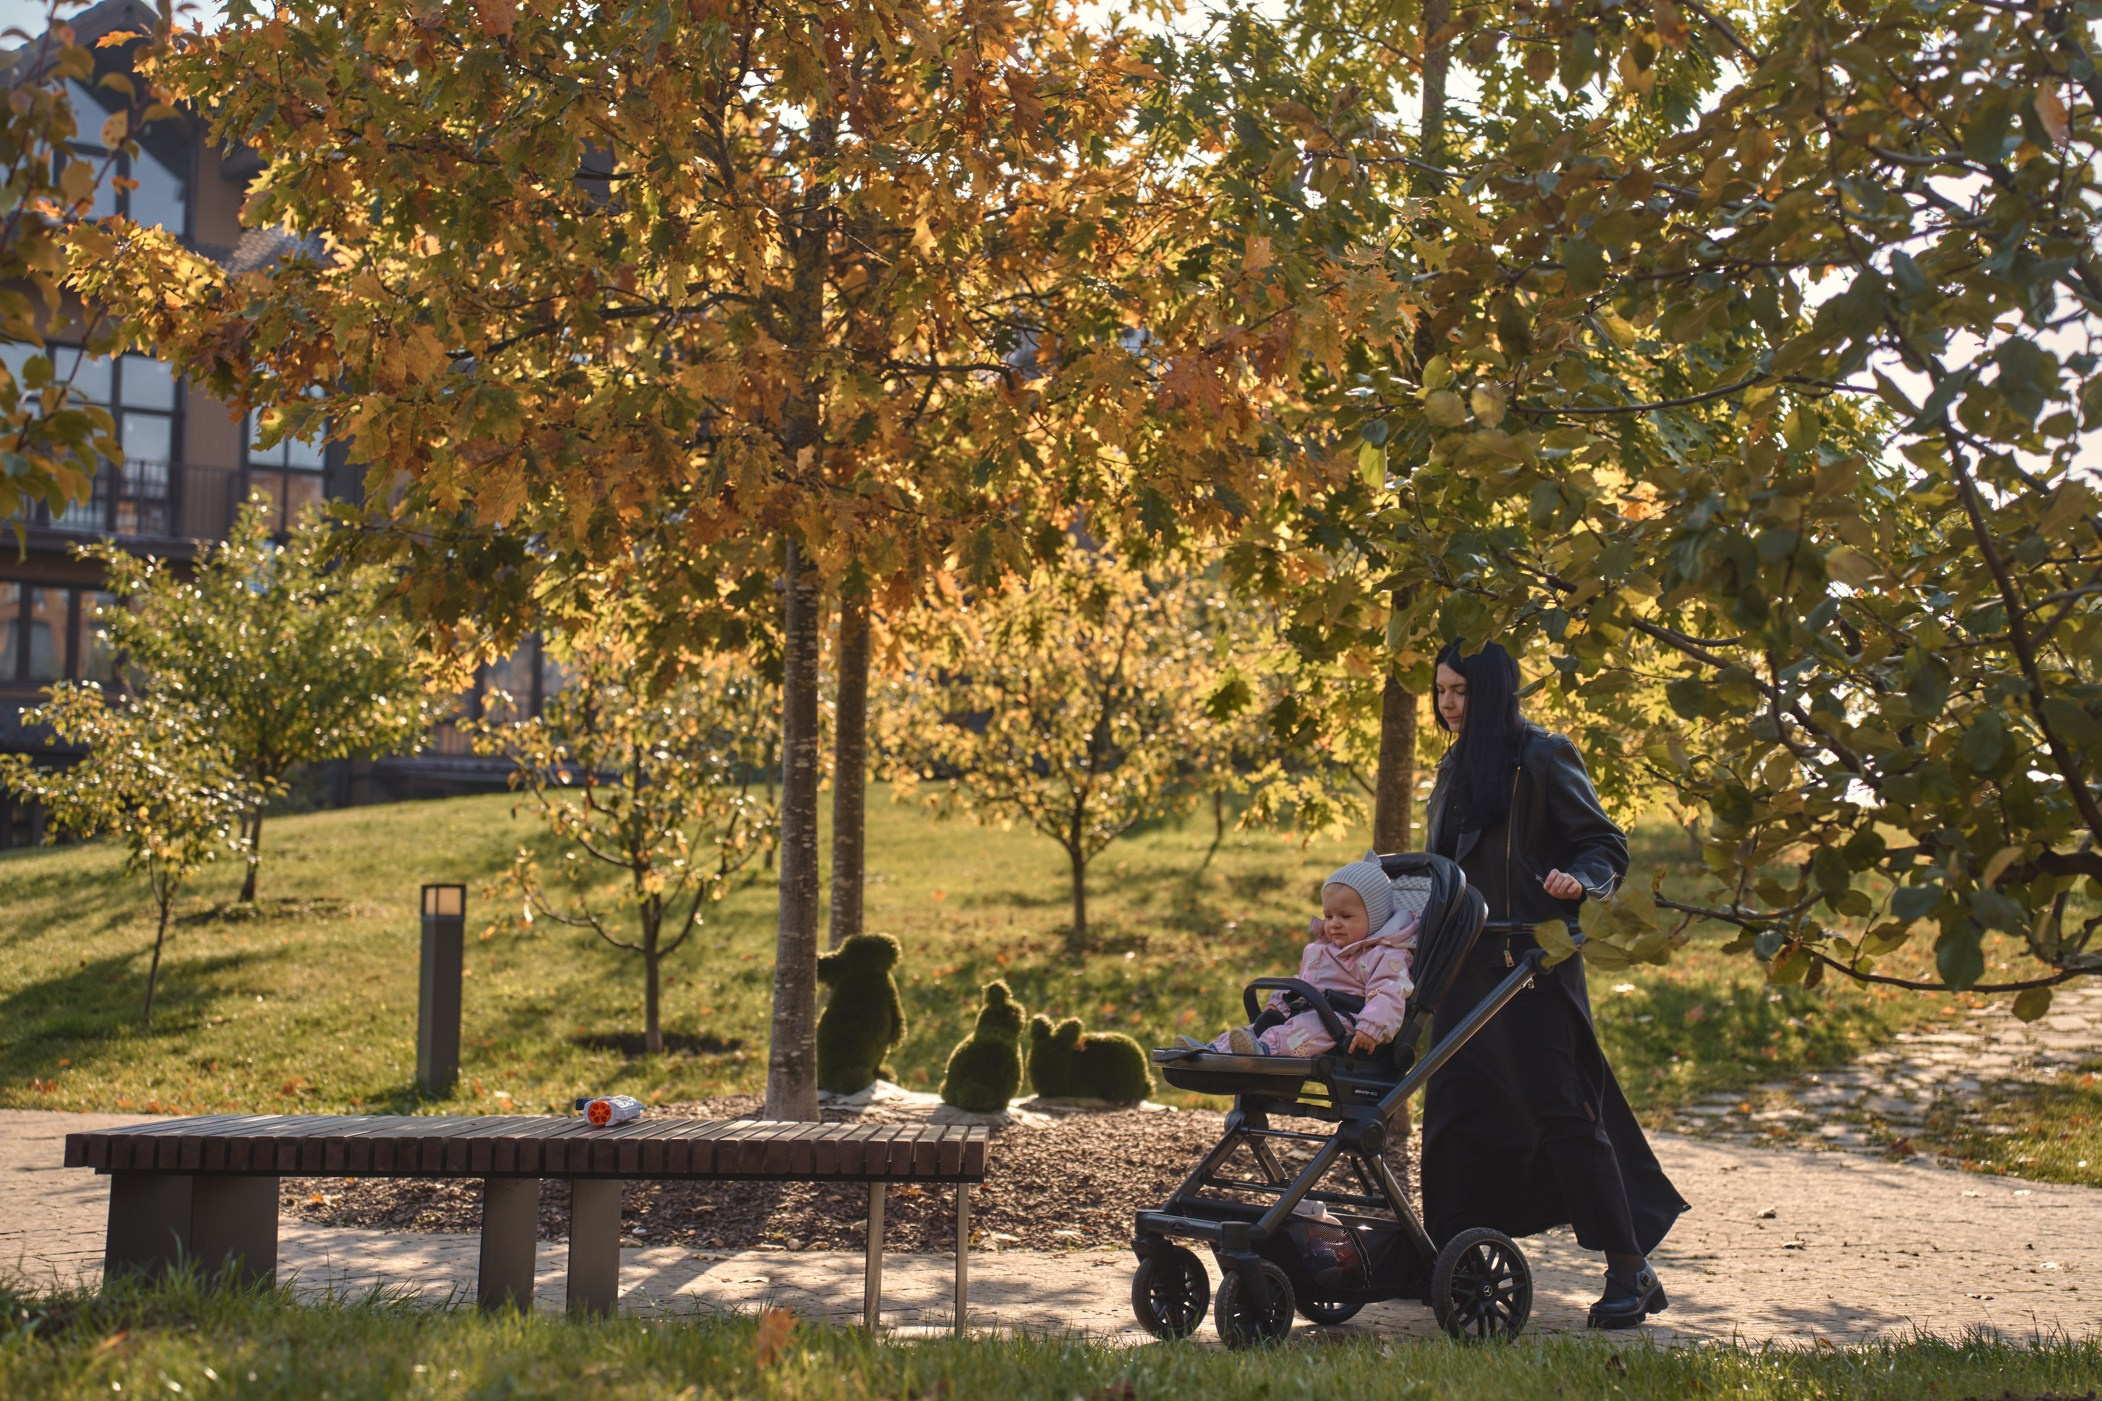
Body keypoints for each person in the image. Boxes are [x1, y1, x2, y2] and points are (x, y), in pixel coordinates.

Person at [1420, 639, 1688, 1329]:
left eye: (1462, 692)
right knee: (1454, 1112)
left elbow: (1604, 843)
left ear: (1495, 692)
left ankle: (1630, 1267)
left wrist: (1583, 880)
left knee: (1563, 1111)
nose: (1449, 705)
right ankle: (1455, 1262)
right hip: (1461, 968)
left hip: (1528, 963)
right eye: (1442, 691)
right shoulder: (1452, 766)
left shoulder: (1541, 755)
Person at [1179, 859, 1418, 1058]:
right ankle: (1214, 1050)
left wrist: (1372, 1026)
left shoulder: (1386, 954)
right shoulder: (1322, 950)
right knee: (1261, 1026)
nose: (1334, 923)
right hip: (1309, 1008)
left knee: (1307, 1028)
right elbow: (1305, 982)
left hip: (1344, 1022)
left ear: (1374, 918)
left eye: (1345, 916)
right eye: (1328, 915)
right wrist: (1280, 1002)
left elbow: (1389, 991)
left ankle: (1264, 1050)